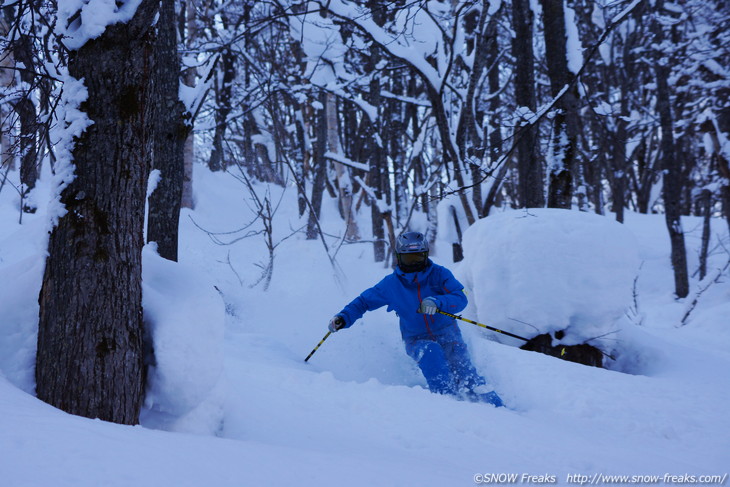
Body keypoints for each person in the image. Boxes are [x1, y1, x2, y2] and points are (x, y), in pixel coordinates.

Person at [328, 231, 503, 407]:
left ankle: (499, 411)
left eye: (418, 257)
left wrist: (438, 302)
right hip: (416, 339)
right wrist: (344, 317)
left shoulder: (440, 274)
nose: (414, 263)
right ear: (399, 257)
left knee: (466, 374)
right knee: (431, 353)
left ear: (426, 254)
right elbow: (363, 302)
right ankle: (448, 405)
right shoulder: (391, 285)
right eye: (409, 258)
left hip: (448, 334)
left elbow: (460, 297)